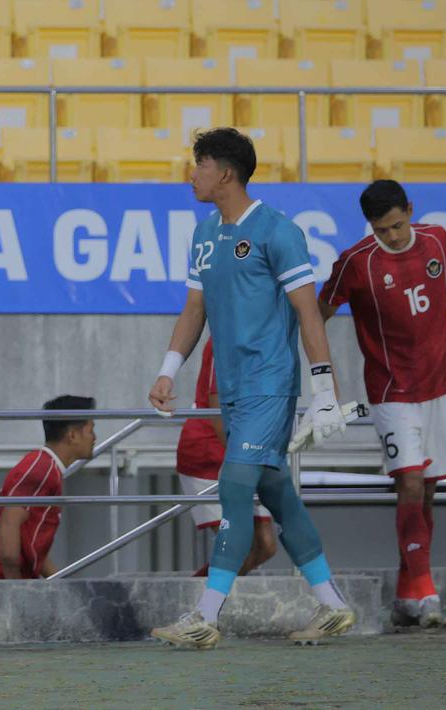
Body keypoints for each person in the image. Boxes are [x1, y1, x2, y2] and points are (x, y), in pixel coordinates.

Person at [148, 127, 355, 650]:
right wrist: (168, 369)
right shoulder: (203, 235)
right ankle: (332, 606)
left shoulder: (278, 231)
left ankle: (205, 617)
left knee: (236, 488)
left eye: (199, 164)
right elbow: (194, 310)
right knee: (276, 492)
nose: (191, 173)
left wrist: (323, 390)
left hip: (270, 385)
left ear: (226, 172)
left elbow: (309, 312)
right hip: (234, 390)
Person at [319, 179, 446, 628]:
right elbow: (315, 313)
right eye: (381, 229)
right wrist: (318, 377)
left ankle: (406, 594)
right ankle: (427, 592)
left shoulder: (438, 240)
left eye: (397, 225)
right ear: (369, 225)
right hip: (391, 392)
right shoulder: (356, 263)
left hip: (439, 388)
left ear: (410, 210)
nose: (392, 236)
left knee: (427, 492)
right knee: (410, 485)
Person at [176, 339, 277, 577]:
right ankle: (198, 605)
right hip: (208, 451)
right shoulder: (226, 336)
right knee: (237, 549)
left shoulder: (268, 338)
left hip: (248, 447)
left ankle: (206, 603)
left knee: (265, 546)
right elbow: (217, 402)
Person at [0, 396, 96, 580]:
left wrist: (61, 584)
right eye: (90, 430)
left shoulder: (47, 468)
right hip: (0, 583)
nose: (94, 438)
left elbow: (33, 546)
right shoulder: (42, 468)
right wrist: (15, 588)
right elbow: (10, 522)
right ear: (72, 435)